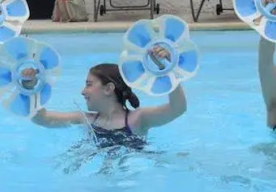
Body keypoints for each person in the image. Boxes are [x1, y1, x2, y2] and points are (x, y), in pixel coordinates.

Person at [30, 63, 188, 148]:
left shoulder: (137, 118)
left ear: (108, 89)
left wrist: (166, 68)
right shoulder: (85, 119)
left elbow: (178, 108)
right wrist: (30, 87)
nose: (83, 92)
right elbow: (41, 119)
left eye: (89, 84)